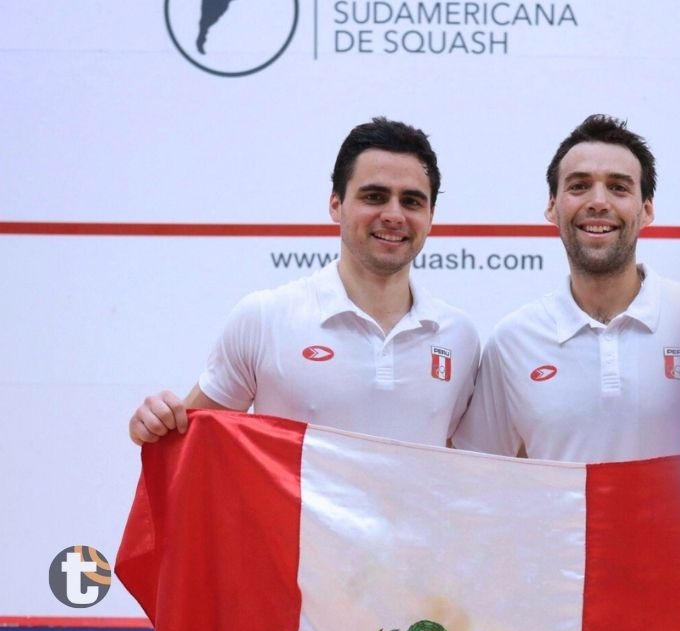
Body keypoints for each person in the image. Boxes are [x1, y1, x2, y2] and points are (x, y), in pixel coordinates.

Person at [128, 117, 479, 446]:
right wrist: (155, 425)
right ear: (335, 205)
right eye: (374, 196)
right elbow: (190, 443)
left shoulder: (459, 337)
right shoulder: (265, 318)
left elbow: (464, 472)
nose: (393, 215)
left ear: (431, 216)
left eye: (412, 201)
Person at [452, 115, 680, 462]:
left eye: (619, 188)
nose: (598, 202)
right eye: (579, 186)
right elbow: (479, 475)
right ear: (552, 207)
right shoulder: (514, 340)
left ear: (647, 210)